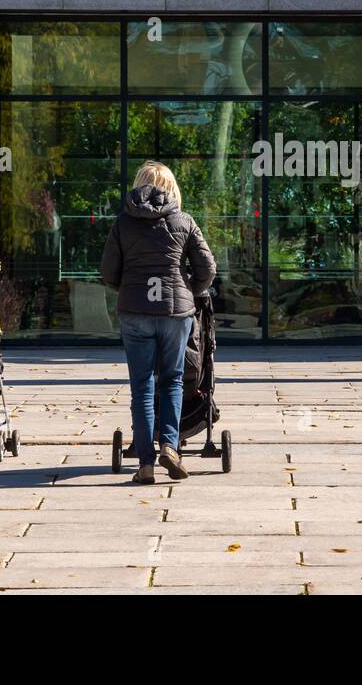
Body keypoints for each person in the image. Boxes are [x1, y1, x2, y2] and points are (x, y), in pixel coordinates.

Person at [101, 161, 216, 484]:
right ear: (171, 188)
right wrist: (186, 291)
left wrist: (130, 288)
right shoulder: (184, 221)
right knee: (173, 380)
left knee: (142, 386)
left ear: (139, 185)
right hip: (175, 315)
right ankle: (170, 446)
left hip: (135, 312)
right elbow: (207, 269)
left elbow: (109, 272)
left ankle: (146, 464)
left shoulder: (123, 223)